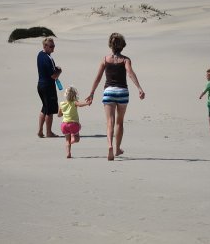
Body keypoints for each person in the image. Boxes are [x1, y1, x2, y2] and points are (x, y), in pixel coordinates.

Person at [86, 33, 145, 161]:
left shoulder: (105, 59)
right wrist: (139, 88)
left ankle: (110, 146)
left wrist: (91, 93)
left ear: (110, 45)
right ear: (122, 46)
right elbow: (130, 73)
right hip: (122, 92)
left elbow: (98, 78)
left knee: (109, 123)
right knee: (119, 122)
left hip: (109, 92)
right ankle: (118, 148)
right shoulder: (125, 60)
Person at [37, 37, 62, 138]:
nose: (53, 48)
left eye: (54, 46)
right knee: (50, 110)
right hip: (48, 86)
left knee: (45, 108)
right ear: (45, 46)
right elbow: (53, 76)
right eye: (51, 46)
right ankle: (49, 132)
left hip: (40, 85)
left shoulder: (40, 54)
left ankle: (40, 131)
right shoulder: (48, 58)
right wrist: (59, 71)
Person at [58, 86, 91, 158]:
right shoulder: (74, 102)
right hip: (73, 124)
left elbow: (59, 115)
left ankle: (68, 153)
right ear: (75, 95)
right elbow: (80, 105)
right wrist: (87, 103)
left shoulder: (62, 104)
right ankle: (73, 139)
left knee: (67, 140)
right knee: (77, 139)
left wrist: (64, 112)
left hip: (64, 125)